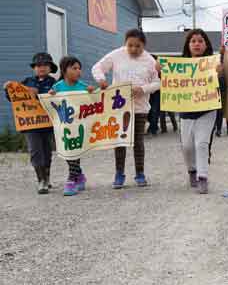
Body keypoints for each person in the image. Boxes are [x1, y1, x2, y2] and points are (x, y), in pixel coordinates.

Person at [92, 29, 160, 188]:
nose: (134, 49)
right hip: (119, 107)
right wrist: (101, 80)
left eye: (138, 46)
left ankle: (140, 173)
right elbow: (97, 67)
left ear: (144, 45)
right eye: (130, 45)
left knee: (138, 141)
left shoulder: (150, 60)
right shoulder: (116, 55)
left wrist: (142, 89)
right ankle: (119, 173)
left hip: (140, 107)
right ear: (125, 43)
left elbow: (158, 83)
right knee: (120, 141)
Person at [3, 53, 57, 194]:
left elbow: (58, 98)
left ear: (50, 68)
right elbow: (14, 98)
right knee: (35, 151)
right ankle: (41, 180)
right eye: (38, 65)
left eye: (45, 65)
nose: (41, 68)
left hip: (48, 124)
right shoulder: (26, 82)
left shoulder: (54, 83)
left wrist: (44, 94)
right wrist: (7, 88)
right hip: (30, 125)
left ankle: (47, 177)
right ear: (34, 68)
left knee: (47, 151)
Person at [177, 29, 219, 194]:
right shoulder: (178, 66)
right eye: (193, 41)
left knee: (201, 144)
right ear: (188, 45)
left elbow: (222, 81)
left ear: (206, 45)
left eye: (200, 41)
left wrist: (220, 71)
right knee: (187, 146)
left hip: (207, 110)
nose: (196, 44)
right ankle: (192, 171)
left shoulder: (214, 63)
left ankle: (203, 177)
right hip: (186, 111)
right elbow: (165, 79)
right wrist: (160, 69)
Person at [49, 56, 95, 195]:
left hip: (79, 126)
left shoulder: (83, 87)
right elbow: (51, 102)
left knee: (75, 151)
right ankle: (79, 175)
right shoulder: (57, 87)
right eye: (74, 68)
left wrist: (92, 92)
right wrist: (51, 95)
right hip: (64, 127)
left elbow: (94, 100)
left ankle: (71, 179)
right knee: (68, 152)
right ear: (64, 70)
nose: (78, 71)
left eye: (79, 68)